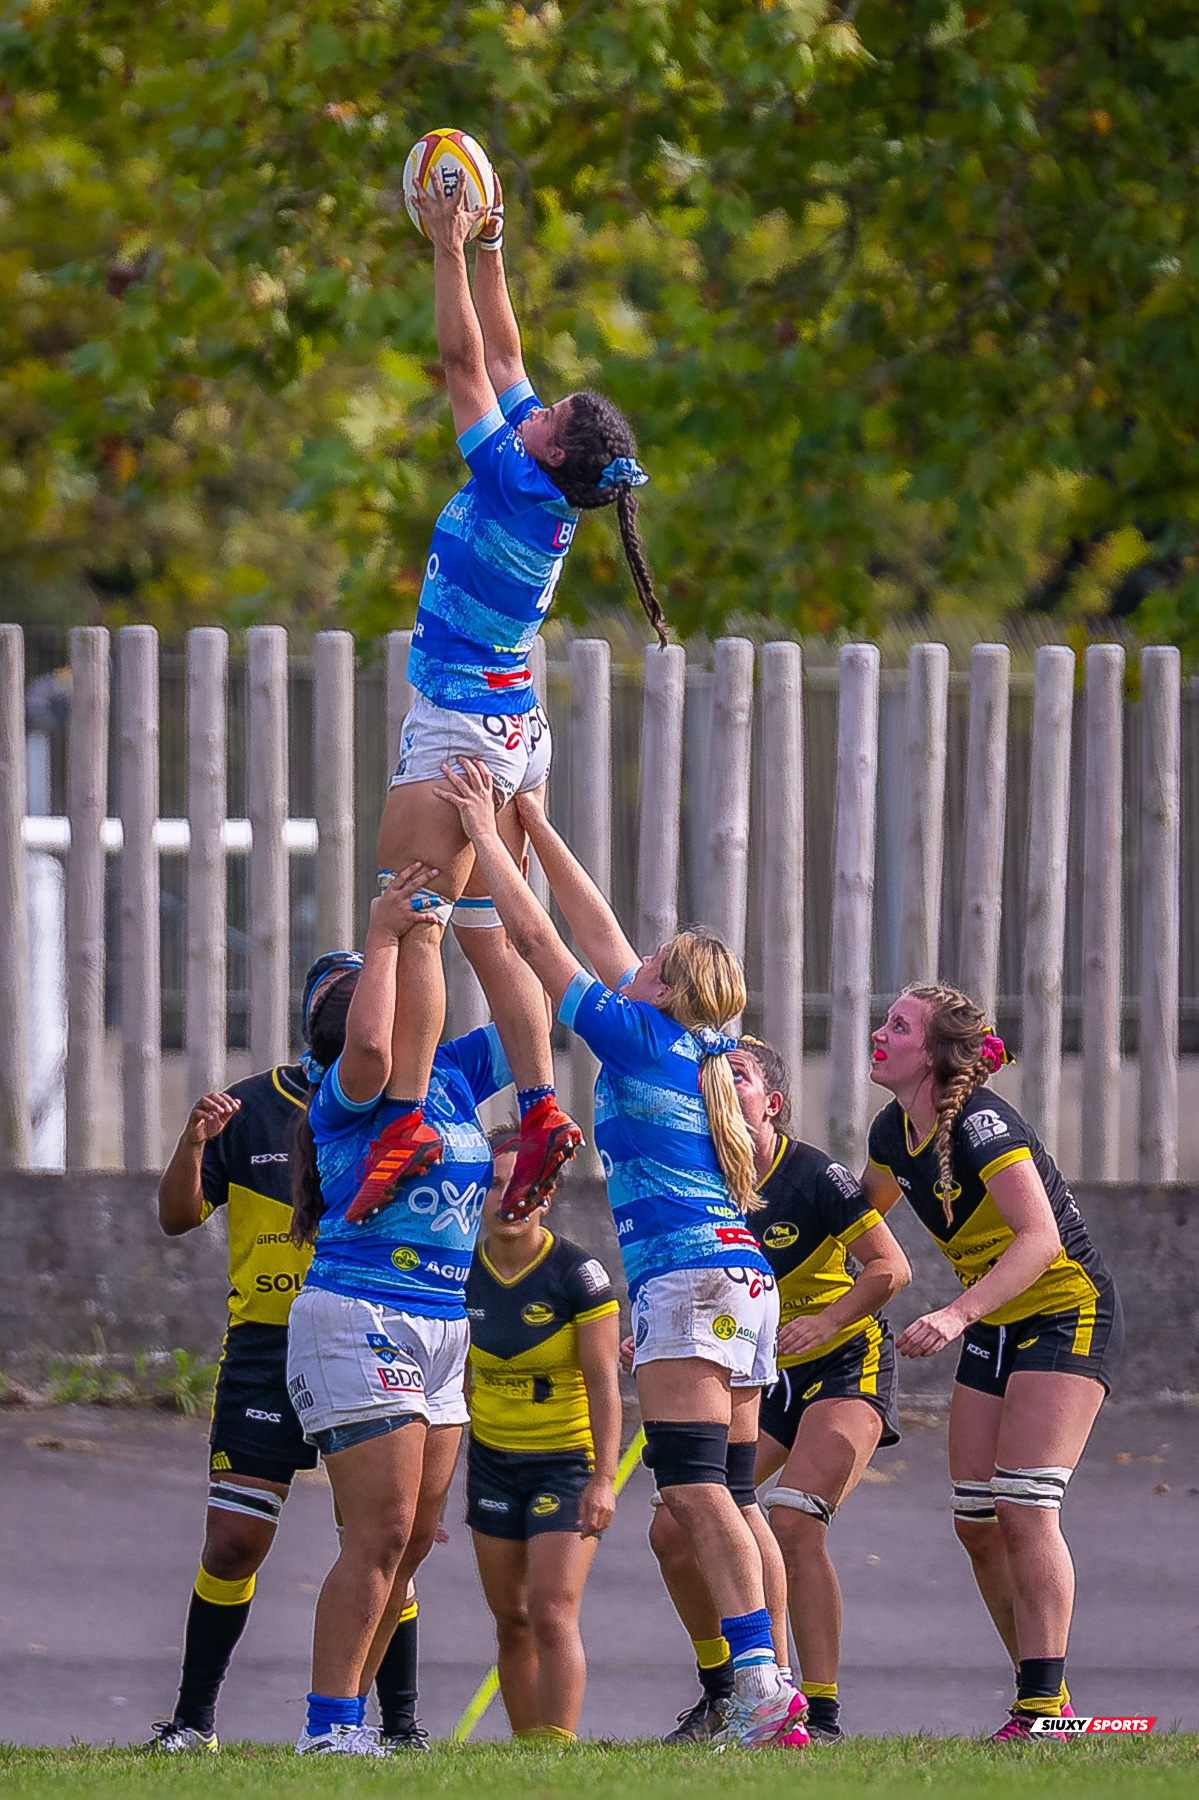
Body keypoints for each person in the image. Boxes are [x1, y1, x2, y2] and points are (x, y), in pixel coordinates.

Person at [433, 759, 809, 1751]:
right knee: (730, 1494)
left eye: (649, 963)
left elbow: (539, 943)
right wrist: (535, 819)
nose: (630, 962)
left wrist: (484, 833)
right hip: (739, 1276)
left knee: (690, 1489)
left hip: (688, 1276)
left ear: (663, 988)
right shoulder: (702, 1041)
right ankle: (767, 1685)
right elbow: (598, 931)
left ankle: (758, 1685)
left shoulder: (639, 1038)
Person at [367, 168, 667, 1222]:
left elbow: (464, 361)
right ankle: (538, 1108)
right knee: (482, 929)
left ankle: (403, 1117)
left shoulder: (509, 475)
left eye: (550, 412)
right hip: (511, 727)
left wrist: (445, 246)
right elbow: (503, 356)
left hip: (460, 726)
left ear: (552, 447)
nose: (534, 403)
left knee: (412, 919)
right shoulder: (551, 478)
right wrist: (492, 242)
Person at [286, 866, 516, 1755]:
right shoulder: (345, 1089)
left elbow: (527, 1003)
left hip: (442, 1324)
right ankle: (329, 1727)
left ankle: (350, 1725)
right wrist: (385, 935)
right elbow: (378, 1048)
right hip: (361, 1314)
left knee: (414, 1541)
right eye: (345, 992)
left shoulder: (449, 1072)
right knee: (379, 1533)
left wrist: (490, 885)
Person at [862, 984, 1123, 1742]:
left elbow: (1040, 1239)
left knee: (1024, 1505)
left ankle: (1037, 1711)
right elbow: (853, 1220)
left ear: (934, 1055)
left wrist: (953, 1314)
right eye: (885, 1020)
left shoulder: (981, 1123)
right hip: (995, 1322)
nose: (879, 1032)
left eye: (898, 1025)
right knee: (975, 1521)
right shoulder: (891, 1130)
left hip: (1063, 1311)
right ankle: (1051, 1705)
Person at [143, 952, 382, 1753]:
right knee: (234, 1542)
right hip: (266, 1349)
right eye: (342, 1001)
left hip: (359, 1336)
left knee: (376, 1539)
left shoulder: (399, 1105)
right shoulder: (247, 1108)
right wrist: (192, 1142)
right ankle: (193, 1723)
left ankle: (401, 1725)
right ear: (315, 1016)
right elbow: (176, 1217)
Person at [642, 1037, 911, 1745]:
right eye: (712, 1074)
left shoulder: (813, 1175)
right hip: (758, 1372)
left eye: (739, 1075)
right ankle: (725, 1689)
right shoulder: (695, 1177)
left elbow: (890, 1268)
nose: (721, 1084)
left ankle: (816, 1712)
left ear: (772, 1103)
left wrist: (825, 1321)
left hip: (841, 1363)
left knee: (792, 1521)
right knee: (672, 1526)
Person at [464, 1127, 621, 1742]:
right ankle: (526, 1755)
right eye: (495, 1185)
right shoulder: (456, 1273)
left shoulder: (578, 1275)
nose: (509, 1201)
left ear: (546, 1195)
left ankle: (559, 1751)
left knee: (550, 1610)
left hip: (565, 1463)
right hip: (492, 1464)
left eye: (523, 1187)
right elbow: (452, 1388)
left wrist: (604, 1479)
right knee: (511, 1619)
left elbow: (605, 1384)